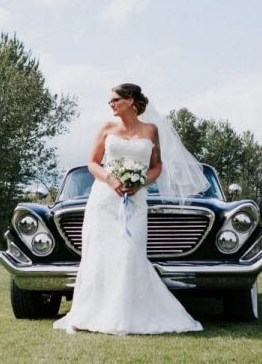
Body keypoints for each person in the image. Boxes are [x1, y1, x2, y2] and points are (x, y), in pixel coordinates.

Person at [53, 83, 204, 335]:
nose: (111, 104)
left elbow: (157, 167)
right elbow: (92, 163)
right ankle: (89, 313)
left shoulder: (150, 130)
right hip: (104, 199)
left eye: (115, 99)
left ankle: (126, 315)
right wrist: (111, 180)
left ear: (131, 101)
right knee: (99, 255)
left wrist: (140, 182)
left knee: (128, 253)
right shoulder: (106, 129)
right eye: (110, 101)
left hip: (135, 199)